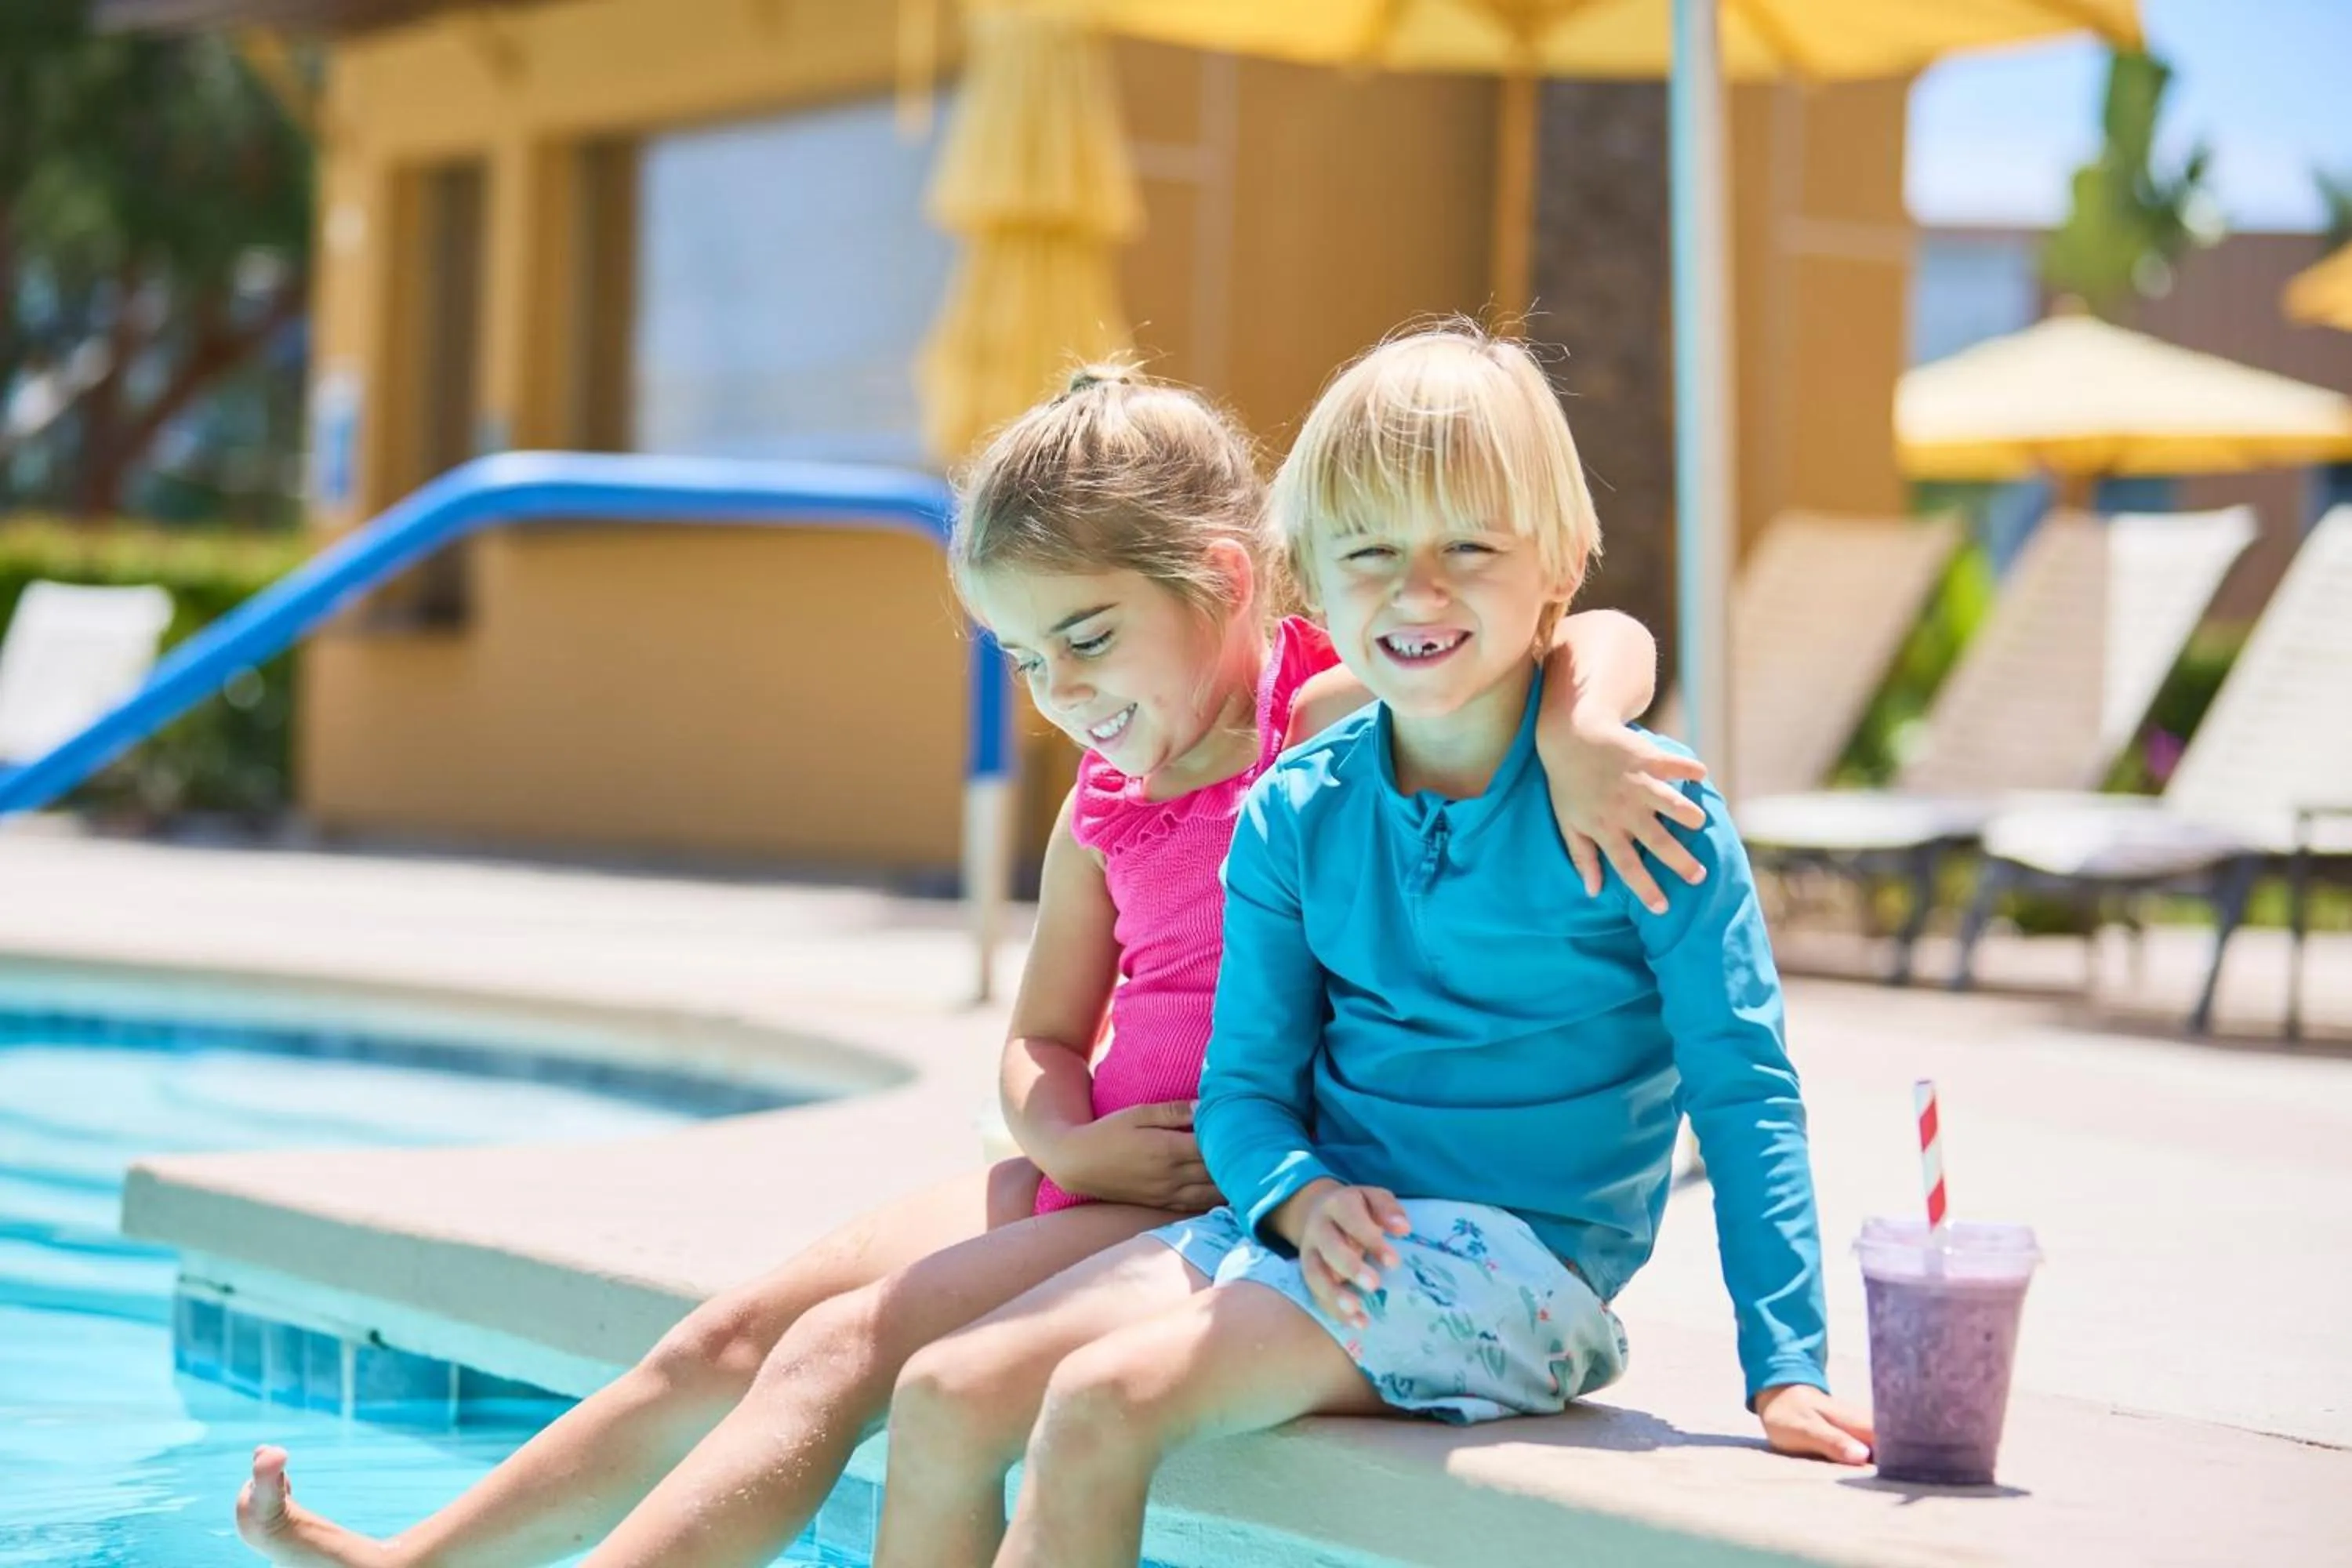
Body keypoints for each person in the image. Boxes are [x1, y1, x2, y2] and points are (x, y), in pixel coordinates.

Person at [234, 362, 1700, 1568]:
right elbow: (1037, 1035)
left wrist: (1582, 739)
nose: (1063, 693)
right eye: (1023, 660)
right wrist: (1058, 1126)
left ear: (1229, 580)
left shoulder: (1330, 715)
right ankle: (416, 1565)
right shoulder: (1107, 801)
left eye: (1087, 638)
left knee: (835, 1361)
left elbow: (1596, 631)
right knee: (733, 1333)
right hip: (1091, 1157)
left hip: (1199, 1187)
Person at [868, 328, 1875, 1568]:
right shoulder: (1297, 810)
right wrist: (1297, 1193)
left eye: (1469, 548)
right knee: (944, 1394)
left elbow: (1746, 1093)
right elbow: (1244, 1089)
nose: (1419, 593)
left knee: (1097, 1407)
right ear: (1314, 581)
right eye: (1372, 554)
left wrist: (1785, 1367)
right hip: (1307, 1229)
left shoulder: (1644, 818)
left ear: (1557, 562)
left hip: (1521, 1268)